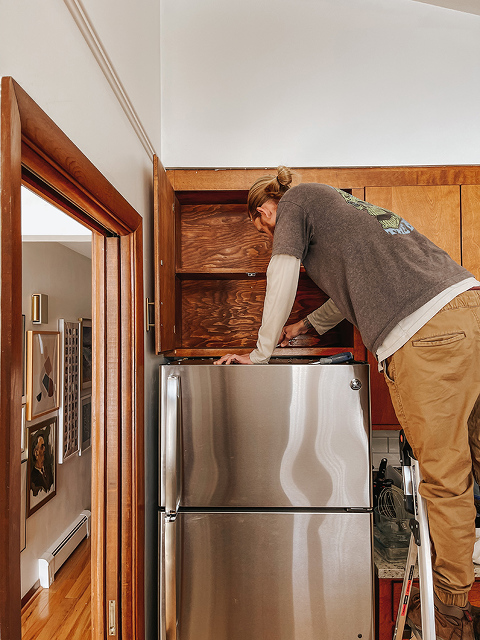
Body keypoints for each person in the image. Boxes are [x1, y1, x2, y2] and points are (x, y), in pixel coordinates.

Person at [214, 166, 480, 640]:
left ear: (264, 209)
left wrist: (259, 355)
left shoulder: (295, 202)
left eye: (262, 227)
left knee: (446, 476)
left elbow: (281, 275)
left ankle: (451, 610)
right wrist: (305, 328)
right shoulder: (337, 206)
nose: (268, 234)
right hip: (467, 306)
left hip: (424, 334)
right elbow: (350, 293)